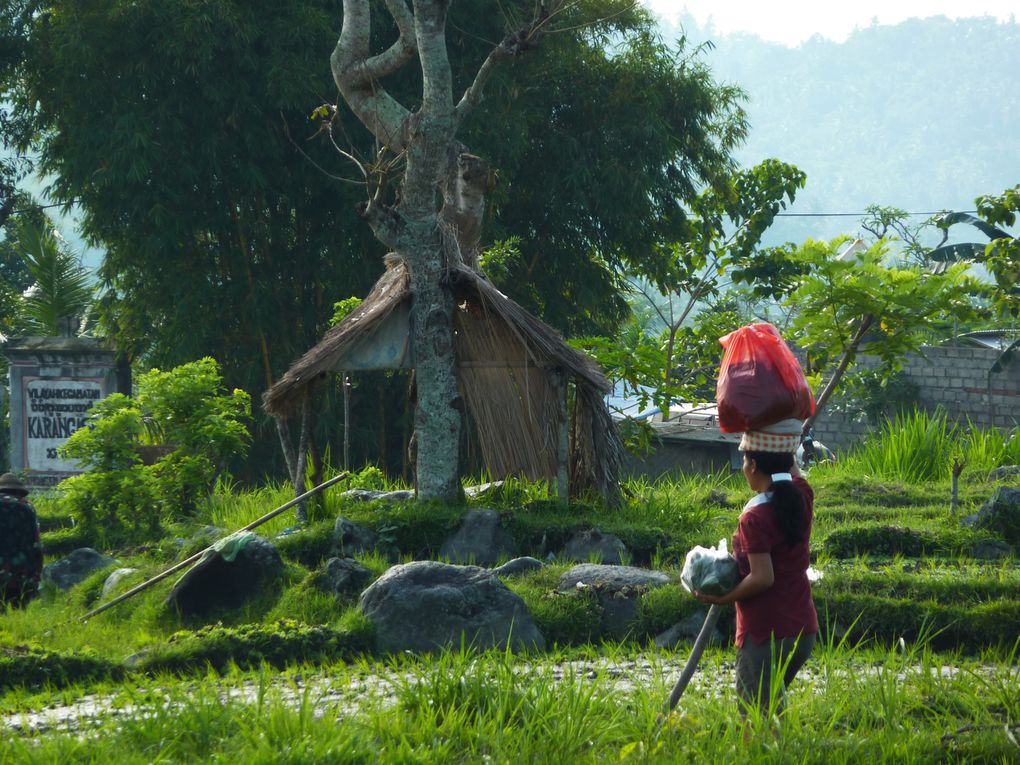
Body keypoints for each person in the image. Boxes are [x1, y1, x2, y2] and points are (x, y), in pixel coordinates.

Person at [694, 431, 818, 719]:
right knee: (772, 709)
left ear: (752, 466)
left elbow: (763, 577)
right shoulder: (801, 495)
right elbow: (790, 469)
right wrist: (780, 434)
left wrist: (723, 598)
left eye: (745, 460)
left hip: (766, 634)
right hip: (802, 630)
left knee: (755, 719)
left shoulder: (755, 518)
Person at [0, 473, 44, 609]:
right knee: (18, 608)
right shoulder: (27, 508)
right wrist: (37, 573)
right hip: (21, 572)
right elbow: (37, 543)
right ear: (19, 492)